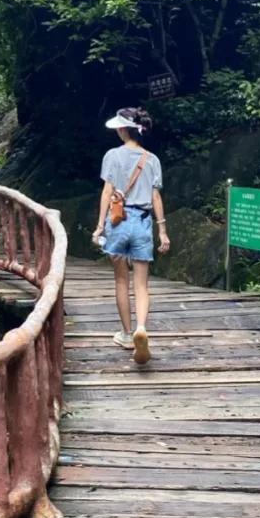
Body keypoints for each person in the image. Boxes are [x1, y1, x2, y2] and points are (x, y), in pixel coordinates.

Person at [92, 106, 169, 365]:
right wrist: (163, 232)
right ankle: (141, 327)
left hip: (119, 221)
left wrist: (100, 226)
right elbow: (156, 197)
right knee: (142, 285)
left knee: (121, 282)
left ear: (123, 129)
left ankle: (126, 334)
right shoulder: (152, 159)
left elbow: (107, 192)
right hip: (144, 222)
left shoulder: (112, 156)